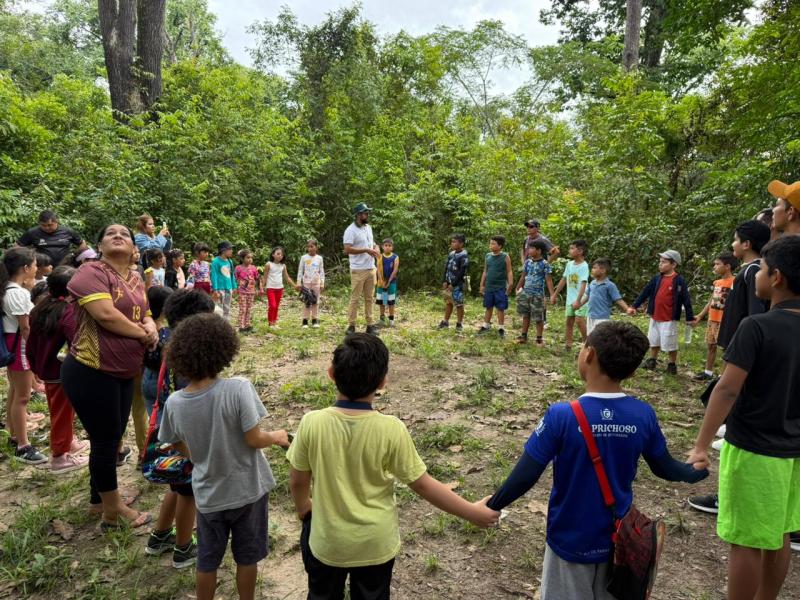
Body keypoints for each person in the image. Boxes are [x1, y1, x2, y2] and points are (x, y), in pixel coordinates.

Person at [487, 321, 708, 599]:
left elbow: (526, 474)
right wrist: (694, 472)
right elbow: (665, 467)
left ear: (589, 354)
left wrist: (493, 504)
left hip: (570, 541)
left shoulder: (561, 416)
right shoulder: (642, 415)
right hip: (620, 543)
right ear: (631, 370)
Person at [287, 333, 499, 599]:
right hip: (376, 545)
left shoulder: (312, 422)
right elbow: (423, 484)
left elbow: (297, 480)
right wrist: (472, 512)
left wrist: (303, 506)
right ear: (382, 381)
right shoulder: (391, 429)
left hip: (328, 544)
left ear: (330, 373)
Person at [687, 236, 800, 599]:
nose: (756, 276)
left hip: (754, 449)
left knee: (747, 541)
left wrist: (701, 445)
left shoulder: (757, 326)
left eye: (763, 270)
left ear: (777, 277)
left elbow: (727, 389)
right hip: (793, 452)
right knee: (780, 532)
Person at [158, 312, 290, 600]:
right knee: (247, 558)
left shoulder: (176, 402)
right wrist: (278, 436)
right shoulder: (238, 388)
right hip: (248, 491)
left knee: (208, 560)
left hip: (208, 495)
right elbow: (254, 439)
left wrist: (196, 454)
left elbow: (170, 441)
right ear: (224, 350)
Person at [60, 223, 157, 530]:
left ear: (133, 248)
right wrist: (144, 336)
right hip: (91, 369)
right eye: (110, 233)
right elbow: (105, 314)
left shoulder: (135, 277)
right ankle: (112, 513)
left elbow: (145, 311)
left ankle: (98, 500)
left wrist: (151, 324)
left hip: (125, 370)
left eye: (124, 234)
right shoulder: (90, 272)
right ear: (100, 245)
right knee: (105, 441)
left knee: (112, 438)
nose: (118, 236)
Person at [688, 220, 772, 515]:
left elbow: (755, 314)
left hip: (744, 356)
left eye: (736, 240)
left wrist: (744, 350)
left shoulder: (752, 272)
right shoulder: (753, 271)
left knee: (735, 412)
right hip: (742, 352)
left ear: (747, 244)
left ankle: (729, 498)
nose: (733, 245)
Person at [144, 288, 215, 570]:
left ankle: (160, 535)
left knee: (176, 485)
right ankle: (184, 548)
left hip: (166, 426)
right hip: (184, 436)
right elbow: (191, 398)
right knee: (188, 492)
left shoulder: (166, 338)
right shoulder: (186, 353)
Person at [25, 265, 90, 473]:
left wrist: (35, 365)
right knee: (62, 412)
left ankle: (68, 442)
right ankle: (59, 457)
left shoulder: (40, 307)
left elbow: (30, 342)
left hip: (46, 369)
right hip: (63, 372)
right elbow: (77, 343)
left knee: (62, 409)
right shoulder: (67, 312)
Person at [1, 247, 47, 464]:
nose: (37, 268)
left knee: (15, 392)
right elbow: (26, 328)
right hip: (20, 344)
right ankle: (23, 445)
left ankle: (14, 434)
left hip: (13, 342)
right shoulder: (18, 293)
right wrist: (36, 356)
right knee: (23, 397)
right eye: (35, 264)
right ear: (26, 268)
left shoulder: (8, 290)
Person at [628, 250, 694, 375]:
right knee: (654, 339)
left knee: (670, 342)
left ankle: (671, 364)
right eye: (660, 262)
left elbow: (686, 299)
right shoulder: (657, 278)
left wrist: (689, 317)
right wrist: (634, 306)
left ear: (673, 265)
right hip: (655, 316)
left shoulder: (679, 281)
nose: (660, 264)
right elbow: (645, 292)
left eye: (663, 262)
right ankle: (652, 360)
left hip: (669, 318)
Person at [691, 252, 739, 381]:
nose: (714, 267)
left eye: (717, 264)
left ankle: (722, 377)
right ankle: (708, 372)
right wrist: (700, 316)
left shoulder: (734, 281)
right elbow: (711, 300)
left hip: (724, 321)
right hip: (713, 319)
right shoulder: (717, 282)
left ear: (727, 266)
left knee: (725, 348)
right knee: (711, 345)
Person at [343, 202, 381, 336]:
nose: (368, 214)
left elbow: (372, 243)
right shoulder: (350, 230)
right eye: (366, 213)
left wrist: (376, 247)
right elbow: (347, 249)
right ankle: (351, 326)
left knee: (369, 298)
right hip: (358, 270)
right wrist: (365, 250)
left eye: (368, 212)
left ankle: (370, 325)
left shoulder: (368, 227)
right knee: (355, 298)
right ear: (359, 215)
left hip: (371, 268)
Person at [551, 240, 589, 350]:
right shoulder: (569, 264)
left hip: (581, 298)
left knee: (579, 320)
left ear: (580, 251)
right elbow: (564, 279)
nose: (569, 250)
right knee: (569, 321)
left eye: (572, 248)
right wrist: (554, 294)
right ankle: (568, 345)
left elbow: (583, 283)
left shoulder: (584, 266)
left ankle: (586, 343)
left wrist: (578, 301)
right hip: (570, 298)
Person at [514, 240, 554, 346]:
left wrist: (552, 294)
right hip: (526, 292)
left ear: (539, 251)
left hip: (538, 294)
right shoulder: (527, 262)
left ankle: (539, 338)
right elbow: (523, 276)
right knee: (525, 315)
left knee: (538, 317)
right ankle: (523, 336)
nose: (529, 250)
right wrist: (518, 287)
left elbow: (548, 280)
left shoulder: (545, 264)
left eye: (532, 248)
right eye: (529, 248)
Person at [577, 258, 631, 334]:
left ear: (603, 270)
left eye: (595, 268)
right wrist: (579, 304)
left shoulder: (609, 285)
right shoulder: (592, 283)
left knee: (600, 338)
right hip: (591, 316)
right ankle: (588, 346)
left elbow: (618, 299)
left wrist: (627, 308)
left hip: (602, 318)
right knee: (591, 336)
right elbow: (587, 296)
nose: (592, 269)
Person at [17, 210, 87, 265]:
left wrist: (74, 255)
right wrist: (28, 257)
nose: (47, 228)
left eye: (50, 225)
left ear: (56, 222)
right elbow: (17, 246)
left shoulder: (67, 231)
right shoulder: (32, 232)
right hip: (41, 268)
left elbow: (82, 244)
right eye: (43, 225)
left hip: (63, 267)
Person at [478, 235, 514, 338]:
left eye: (493, 244)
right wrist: (482, 284)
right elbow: (485, 271)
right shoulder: (488, 256)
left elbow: (509, 271)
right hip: (489, 286)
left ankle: (501, 328)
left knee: (500, 307)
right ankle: (486, 325)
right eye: (490, 243)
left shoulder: (505, 256)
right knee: (488, 306)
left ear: (500, 246)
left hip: (500, 286)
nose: (491, 245)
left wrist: (510, 284)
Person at [438, 233, 469, 332]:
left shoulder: (464, 255)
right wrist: (444, 280)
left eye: (454, 242)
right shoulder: (451, 254)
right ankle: (445, 321)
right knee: (448, 302)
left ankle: (459, 324)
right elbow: (446, 268)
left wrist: (453, 284)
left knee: (459, 304)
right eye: (452, 241)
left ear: (461, 244)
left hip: (457, 285)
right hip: (448, 283)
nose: (452, 243)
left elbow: (462, 272)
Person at [262, 246, 296, 328]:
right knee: (272, 305)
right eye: (278, 254)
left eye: (281, 254)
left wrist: (295, 286)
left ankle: (274, 323)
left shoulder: (283, 266)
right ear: (273, 255)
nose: (280, 256)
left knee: (276, 306)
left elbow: (287, 277)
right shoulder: (268, 264)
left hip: (280, 288)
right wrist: (261, 288)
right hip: (270, 288)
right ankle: (270, 323)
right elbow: (265, 277)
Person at [296, 239, 325, 329]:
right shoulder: (304, 258)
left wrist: (322, 283)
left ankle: (315, 320)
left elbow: (322, 271)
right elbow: (300, 270)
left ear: (316, 247)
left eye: (312, 246)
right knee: (307, 301)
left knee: (316, 301)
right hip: (306, 282)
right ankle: (305, 320)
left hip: (316, 282)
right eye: (308, 247)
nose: (310, 248)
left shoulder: (319, 258)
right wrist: (298, 282)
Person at [375, 238, 399, 327]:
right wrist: (381, 281)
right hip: (381, 283)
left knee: (391, 301)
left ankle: (391, 319)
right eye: (386, 245)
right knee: (382, 301)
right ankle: (382, 319)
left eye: (389, 246)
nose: (387, 247)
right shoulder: (380, 257)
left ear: (392, 247)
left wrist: (388, 281)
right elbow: (378, 269)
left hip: (391, 283)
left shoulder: (395, 257)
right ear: (382, 247)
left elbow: (395, 270)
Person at [235, 249, 259, 332]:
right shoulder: (238, 268)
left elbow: (256, 278)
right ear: (242, 259)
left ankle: (247, 325)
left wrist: (258, 289)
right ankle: (241, 326)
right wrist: (236, 287)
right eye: (247, 257)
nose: (250, 259)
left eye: (251, 258)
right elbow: (235, 279)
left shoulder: (253, 268)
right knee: (243, 309)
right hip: (242, 292)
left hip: (251, 292)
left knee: (249, 309)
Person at [211, 241, 236, 319]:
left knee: (227, 307)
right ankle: (219, 325)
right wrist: (215, 289)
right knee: (219, 308)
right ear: (223, 250)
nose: (232, 251)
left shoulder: (230, 261)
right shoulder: (215, 261)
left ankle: (226, 325)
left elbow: (232, 274)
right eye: (230, 249)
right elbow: (213, 276)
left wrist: (234, 286)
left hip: (229, 288)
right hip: (220, 289)